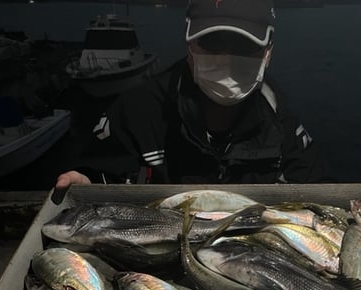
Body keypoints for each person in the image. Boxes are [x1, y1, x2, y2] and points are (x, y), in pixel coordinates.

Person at [55, 0, 326, 193]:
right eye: (212, 41)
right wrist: (86, 182)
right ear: (190, 46)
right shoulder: (137, 110)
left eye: (243, 44)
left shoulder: (278, 117)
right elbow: (99, 170)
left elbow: (315, 188)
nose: (226, 56)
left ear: (268, 52)